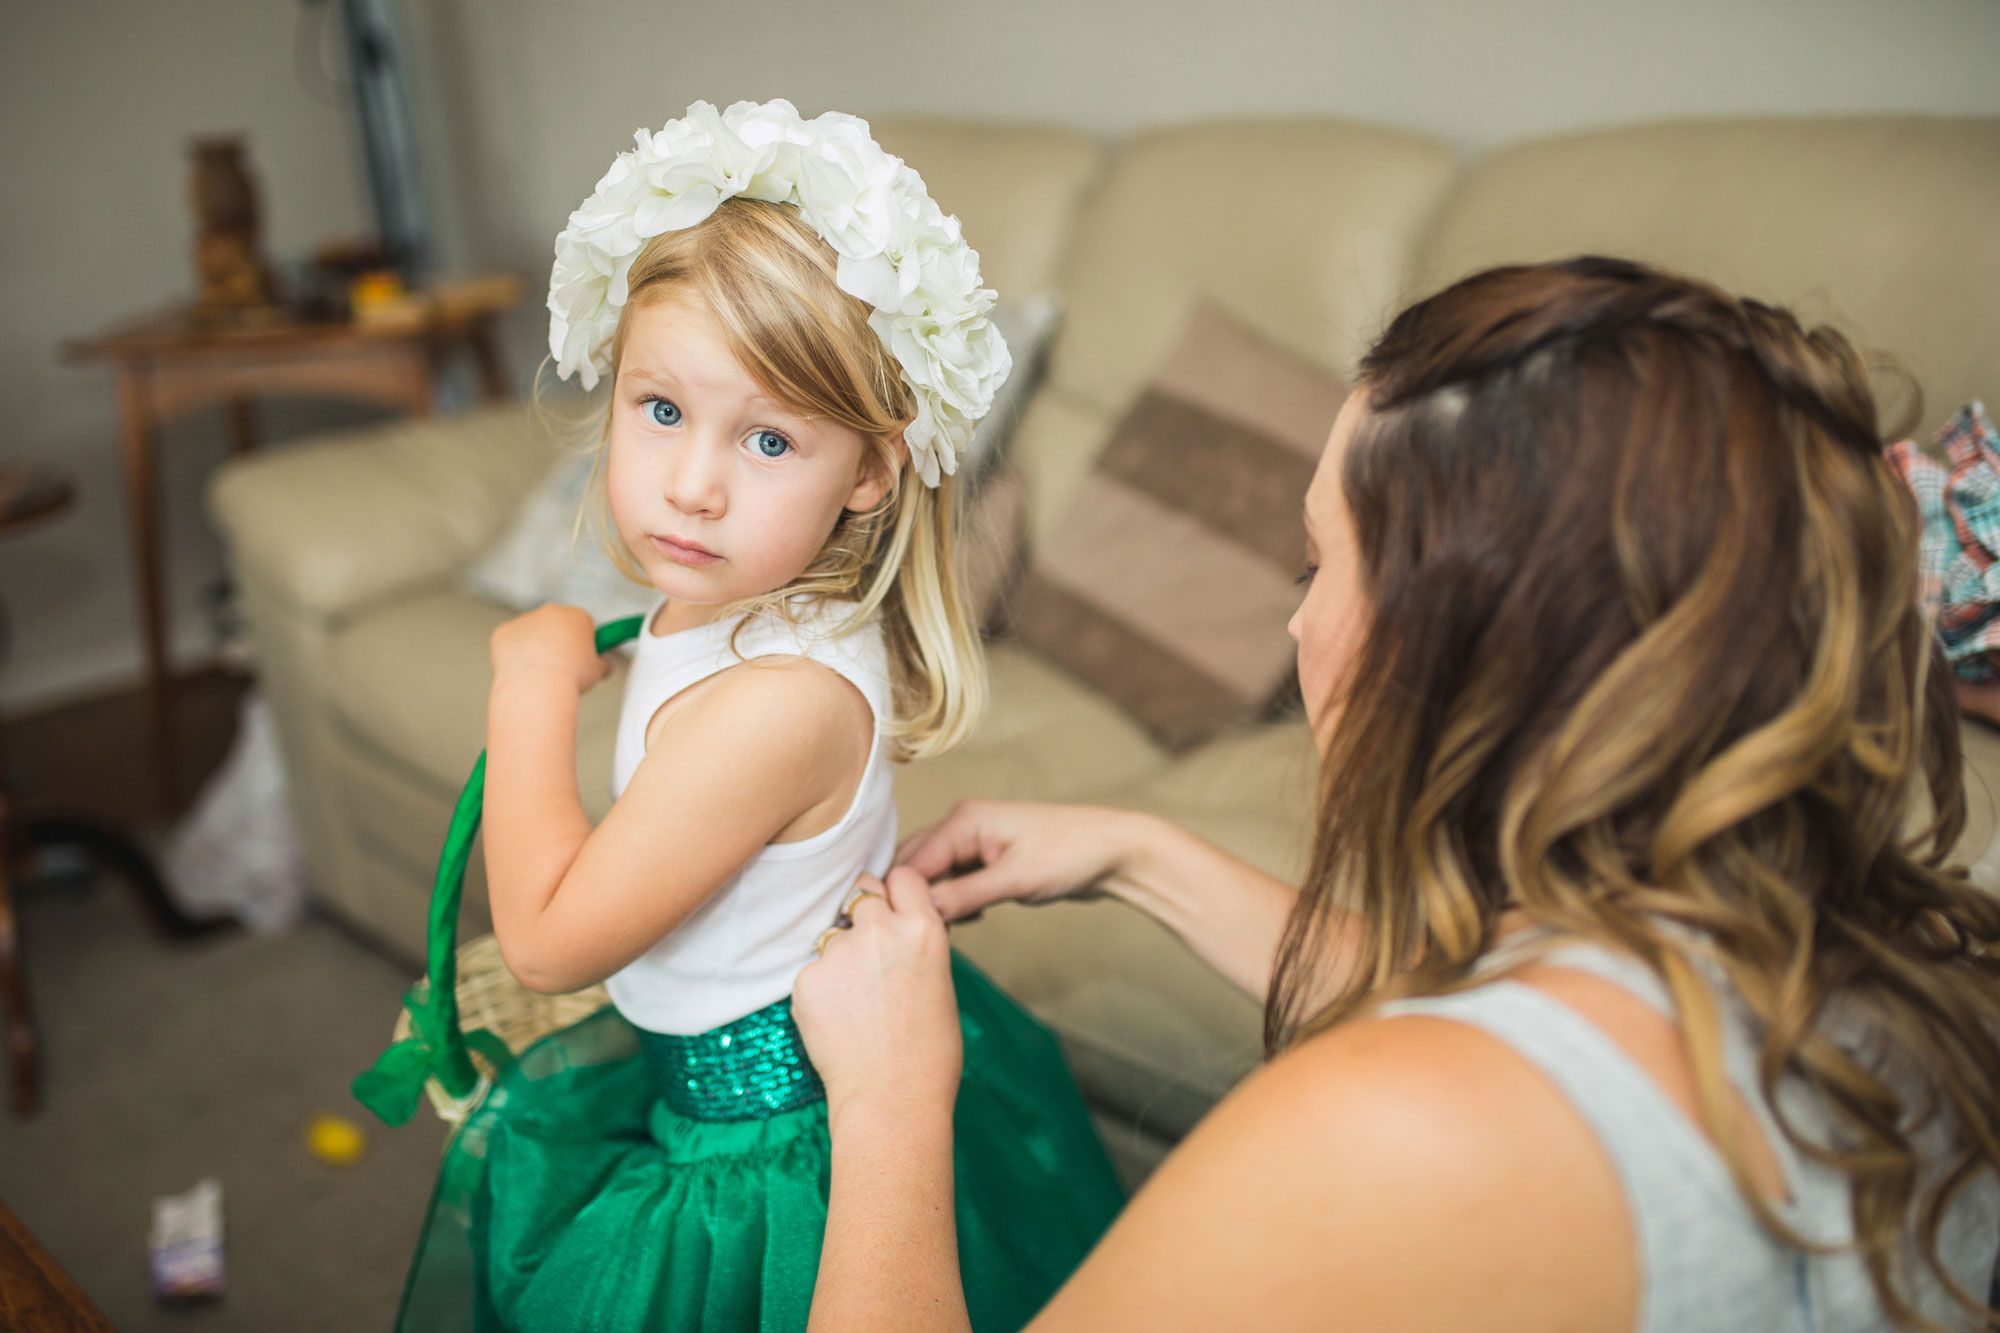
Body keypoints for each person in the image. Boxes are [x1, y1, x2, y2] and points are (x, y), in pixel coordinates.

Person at [794, 257, 2000, 1332]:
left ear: (1460, 639)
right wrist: (1137, 854)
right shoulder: (1889, 974)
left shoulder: (1390, 1136)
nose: (1296, 616)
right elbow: (1516, 1029)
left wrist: (889, 1105)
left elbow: (1448, 1081)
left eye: (1318, 562)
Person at [393, 100, 1123, 1333]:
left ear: (872, 470)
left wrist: (525, 689)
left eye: (769, 437)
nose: (690, 482)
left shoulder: (779, 703)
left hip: (780, 1156)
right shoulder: (739, 600)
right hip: (729, 1078)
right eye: (660, 409)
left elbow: (550, 944)